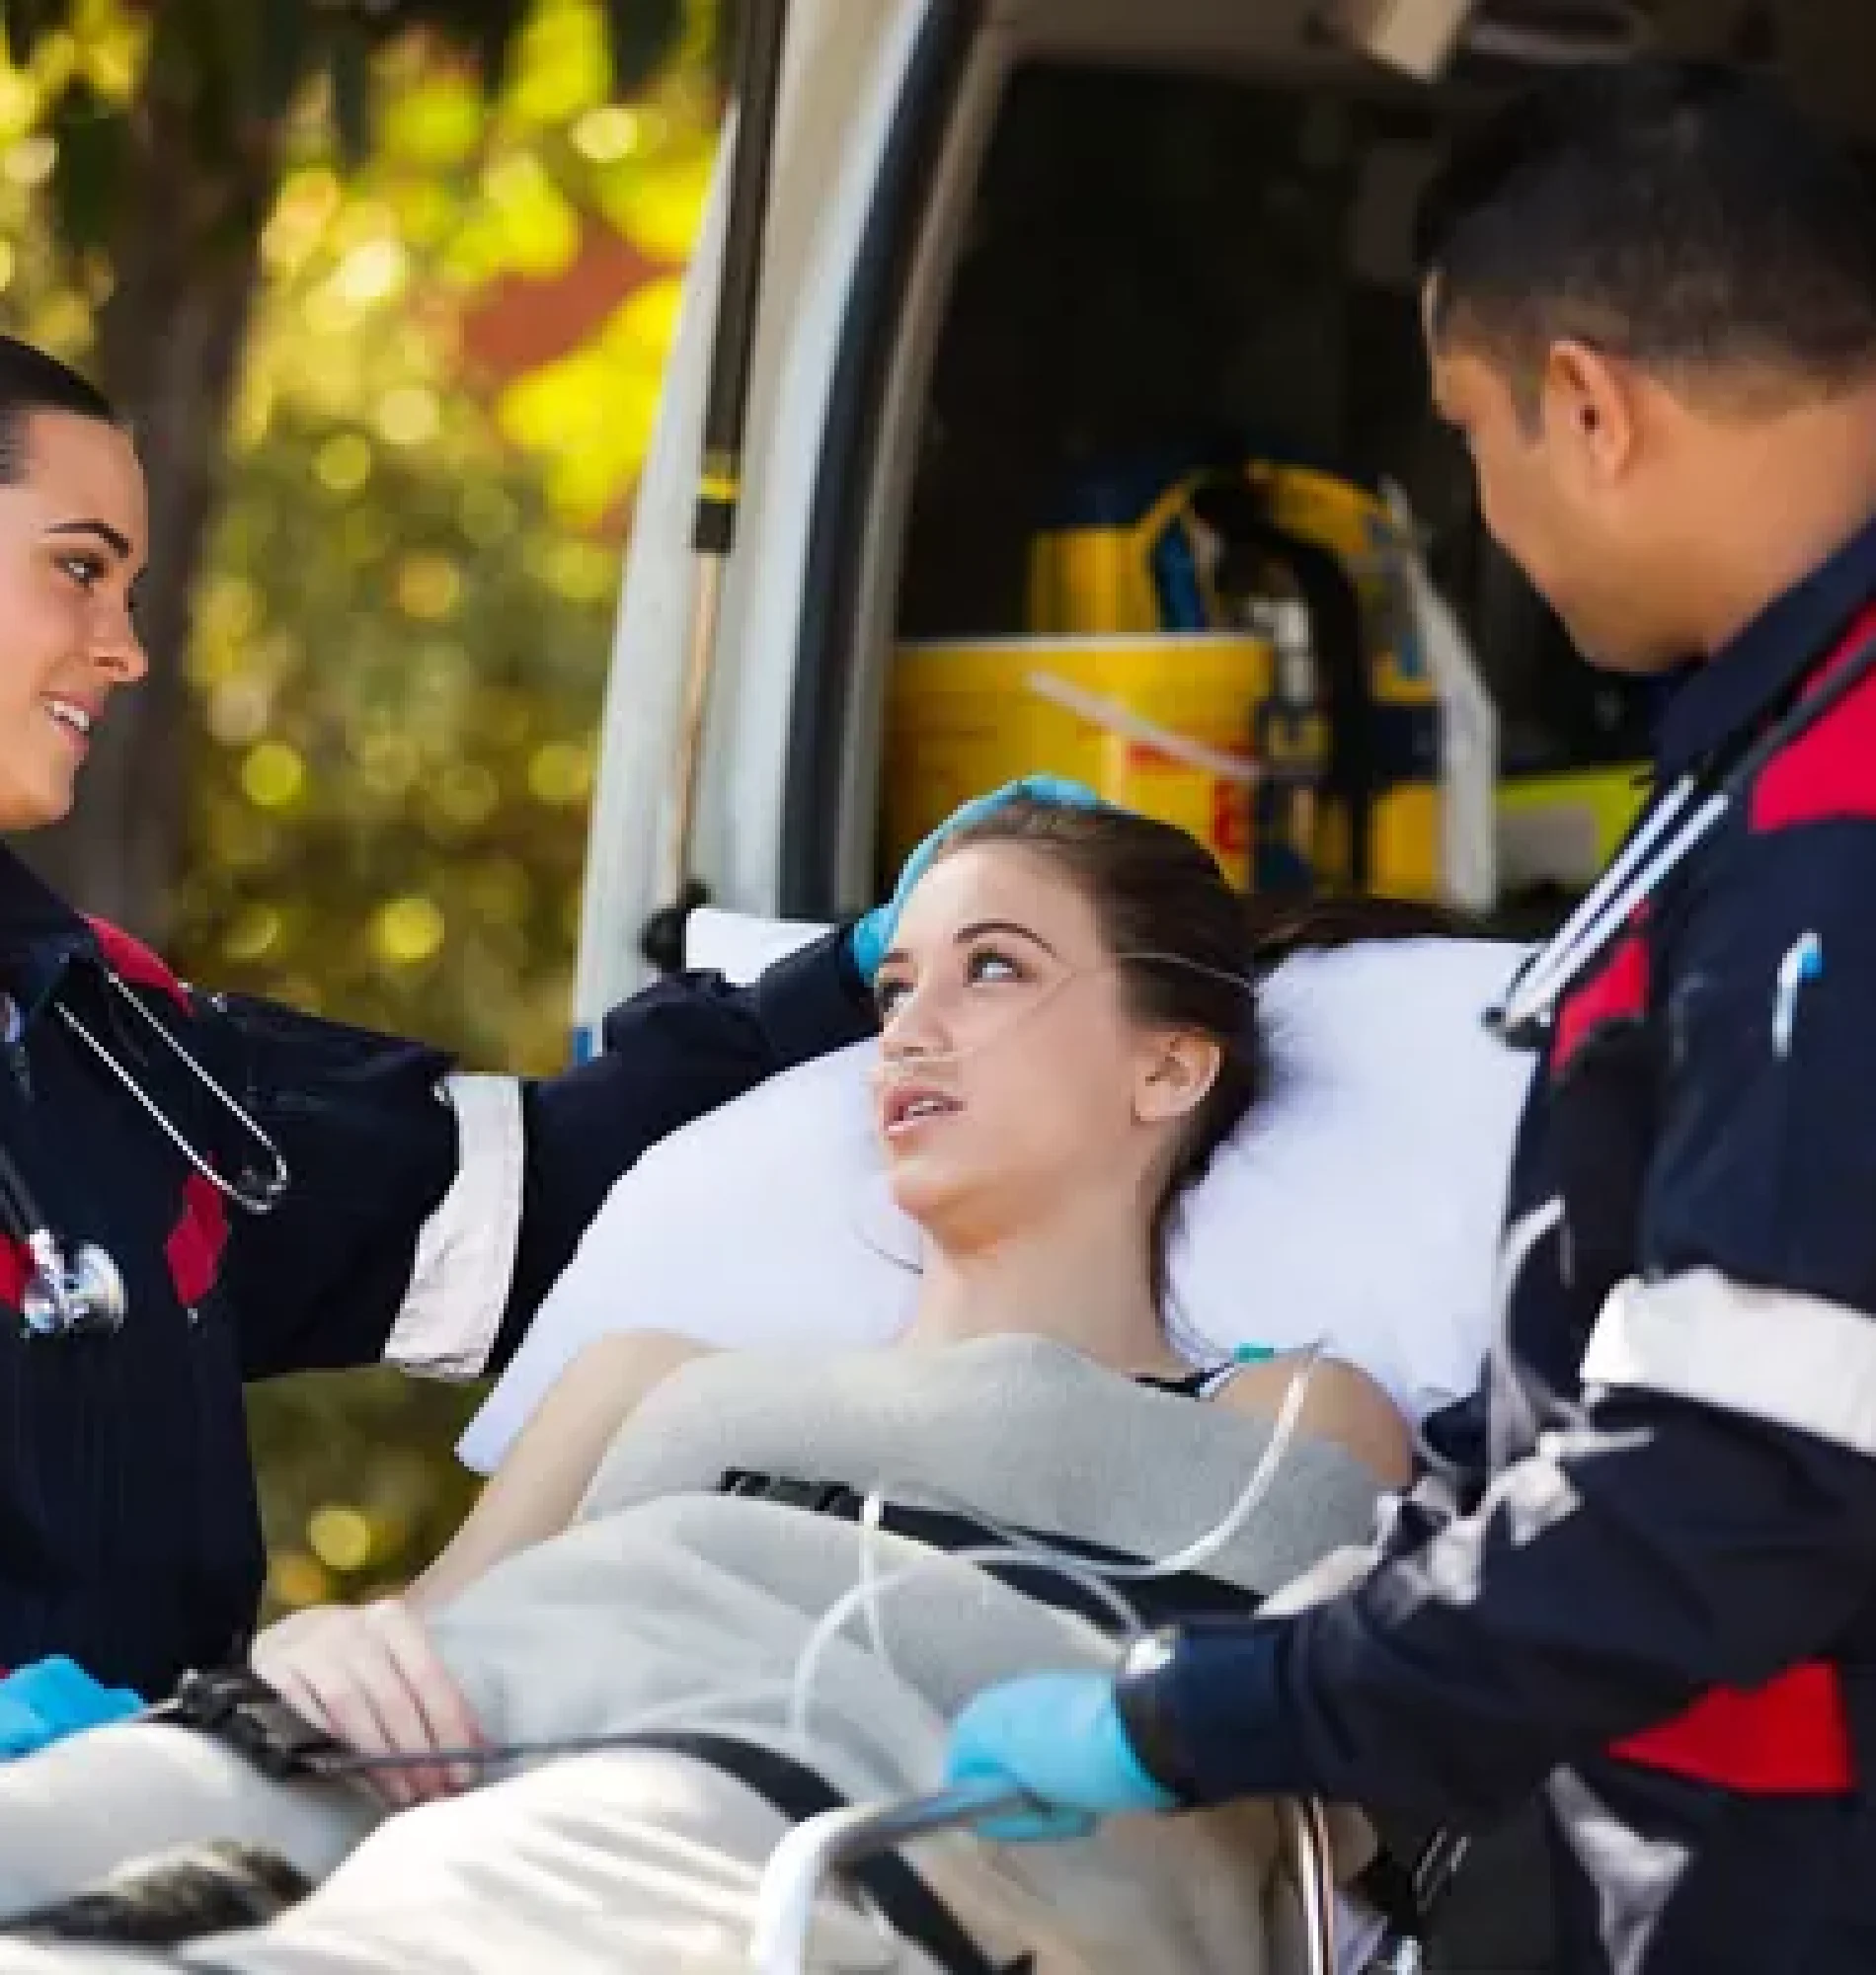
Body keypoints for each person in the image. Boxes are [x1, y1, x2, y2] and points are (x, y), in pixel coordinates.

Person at [944, 59, 1876, 1975]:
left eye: (1465, 429)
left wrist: (1214, 1708)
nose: (1483, 506)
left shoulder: (1828, 841)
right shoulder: (1780, 766)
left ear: (1586, 406)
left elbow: (1734, 1482)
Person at [0, 800, 1422, 1974]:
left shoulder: (1281, 1413)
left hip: (738, 1817)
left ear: (1168, 1067)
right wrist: (320, 1650)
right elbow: (422, 1632)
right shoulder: (644, 1376)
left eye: (992, 969)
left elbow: (1288, 1741)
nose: (910, 1030)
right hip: (384, 1750)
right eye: (894, 988)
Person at [0, 330, 1068, 1707]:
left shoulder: (104, 1038)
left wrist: (859, 971)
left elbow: (530, 1202)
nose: (126, 649)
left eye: (131, 588)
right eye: (79, 568)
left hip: (148, 1825)